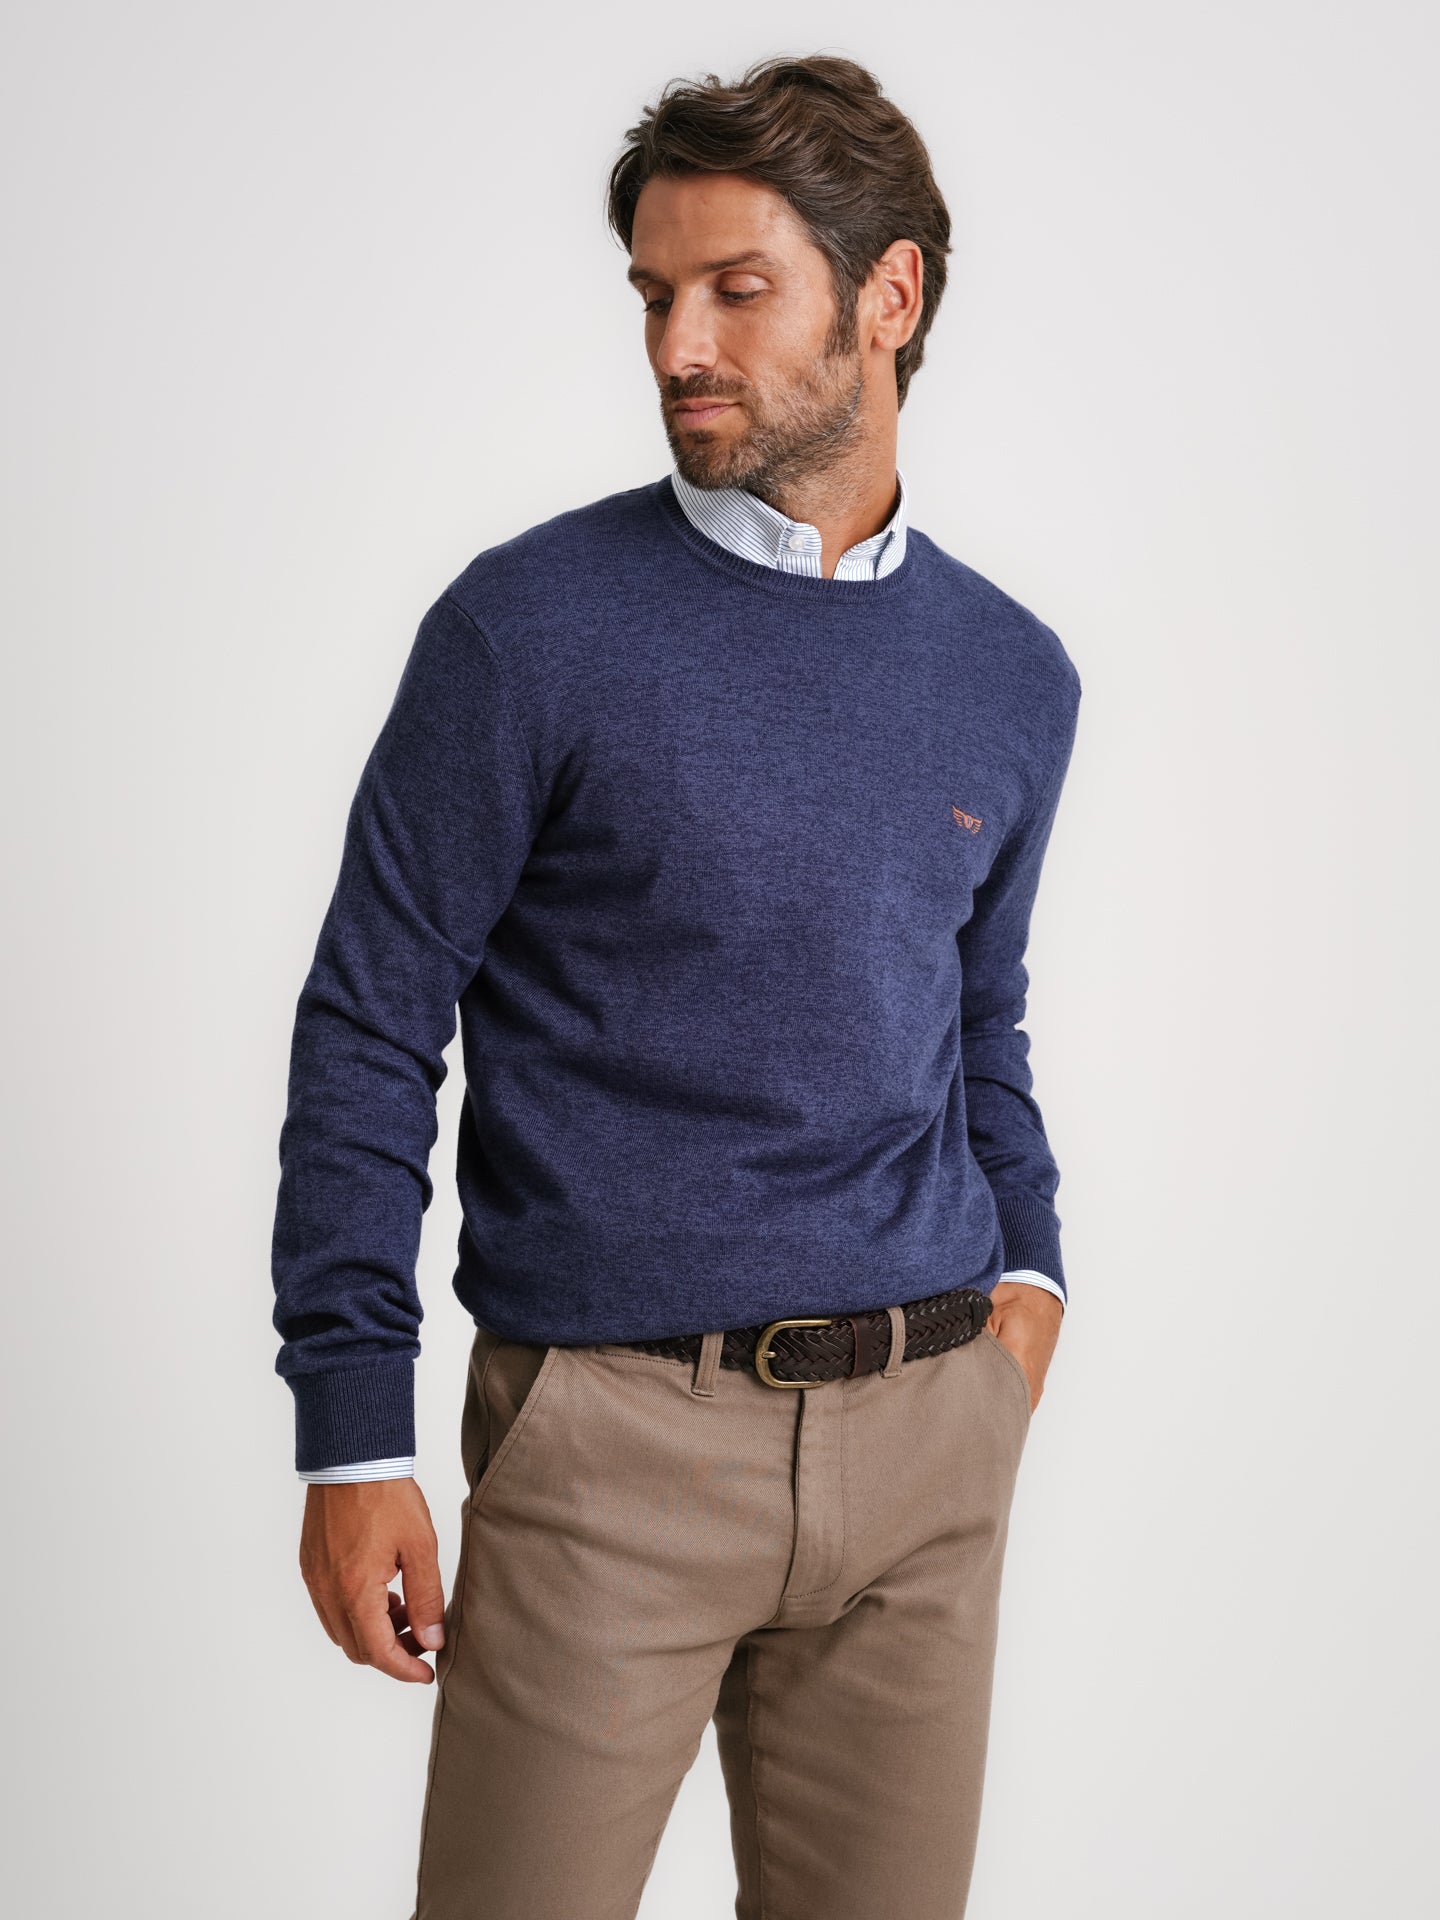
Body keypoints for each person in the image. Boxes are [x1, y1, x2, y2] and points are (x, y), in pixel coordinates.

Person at [271, 51, 1082, 1920]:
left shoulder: (1012, 674)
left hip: (929, 1439)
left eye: (736, 289)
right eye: (653, 295)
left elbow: (980, 1017)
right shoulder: (527, 629)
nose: (677, 347)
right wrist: (354, 1426)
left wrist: (1033, 1276)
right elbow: (373, 1018)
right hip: (610, 1448)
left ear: (889, 298)